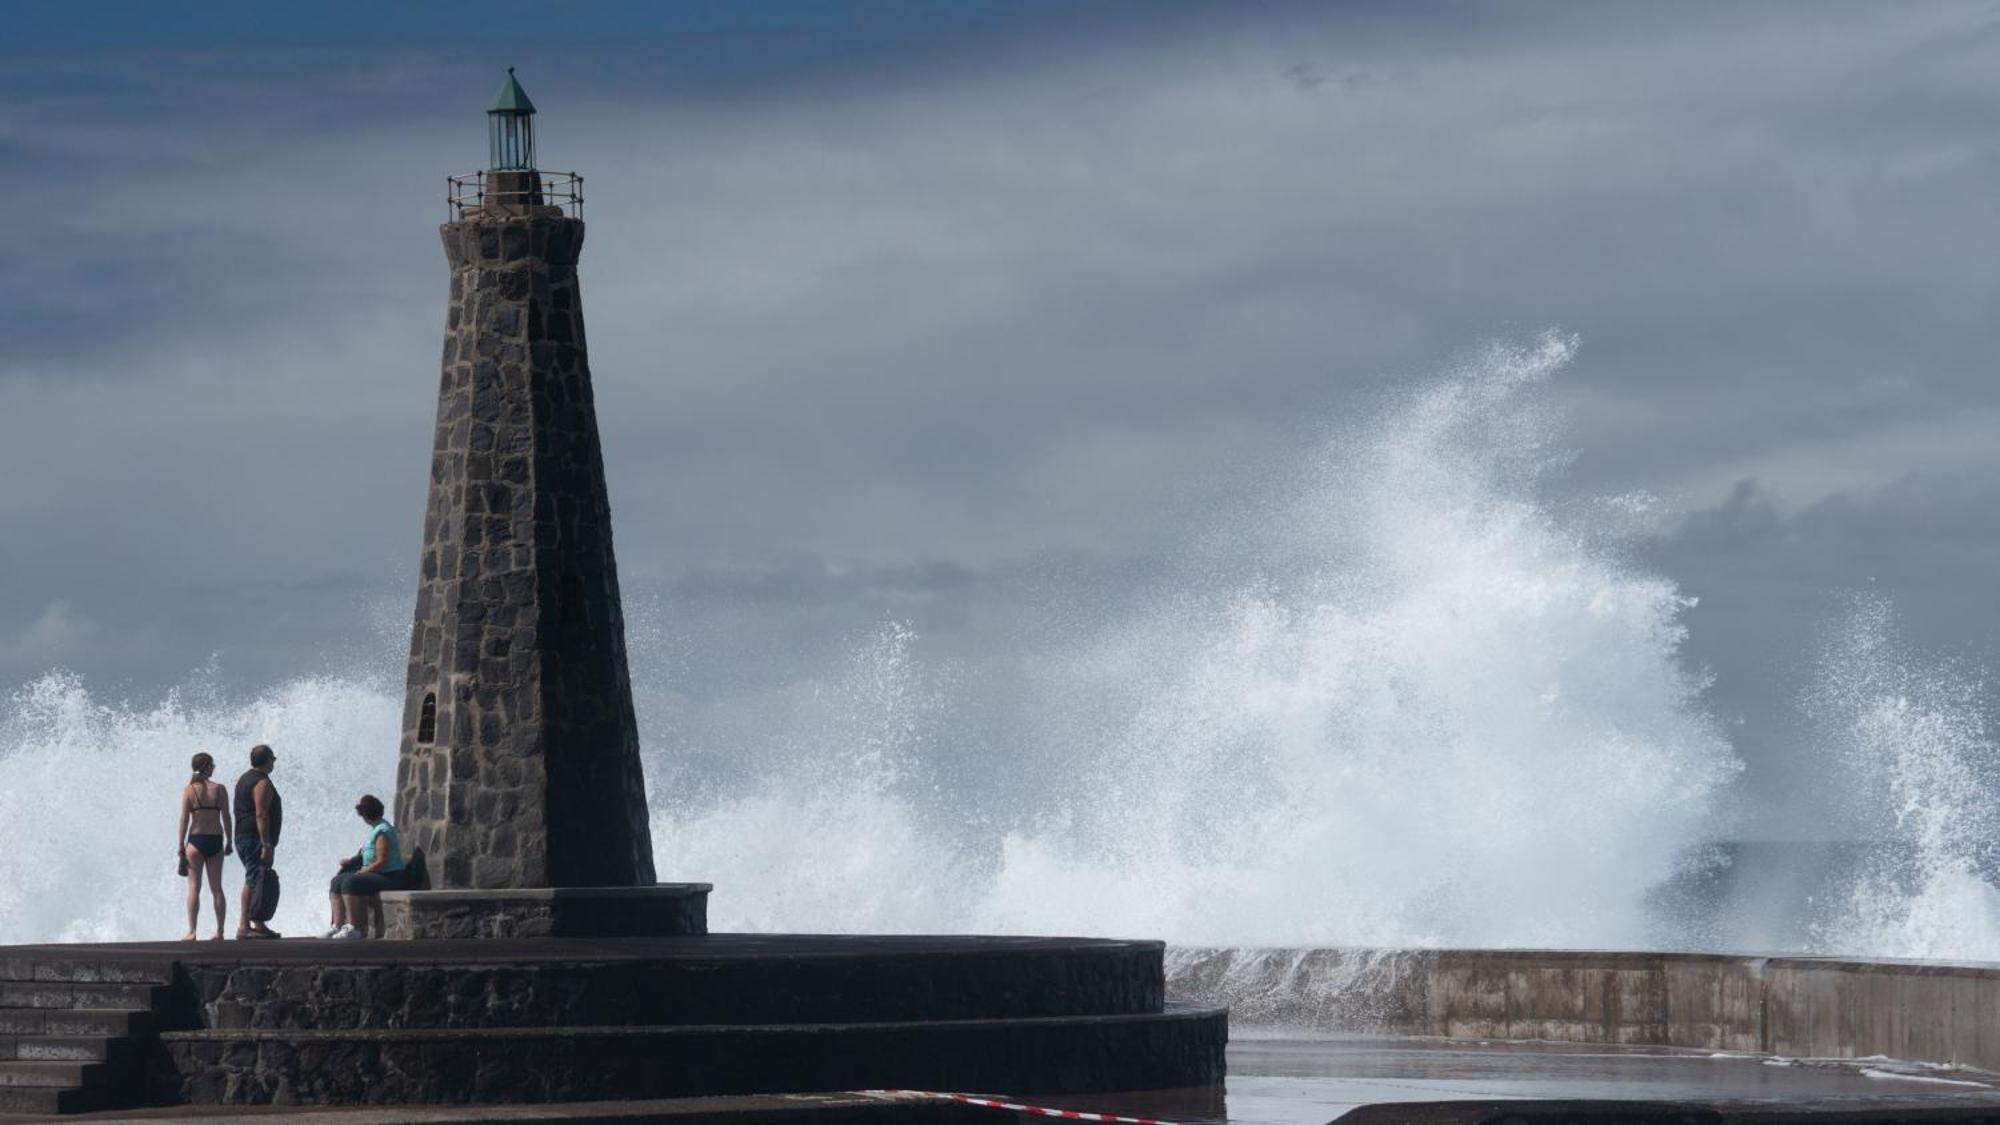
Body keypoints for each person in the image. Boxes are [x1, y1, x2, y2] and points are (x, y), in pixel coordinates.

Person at [322, 794, 410, 940]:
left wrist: (364, 871)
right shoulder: (375, 828)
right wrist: (350, 862)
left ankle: (355, 928)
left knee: (351, 882)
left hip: (390, 876)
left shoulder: (382, 831)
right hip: (378, 873)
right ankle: (337, 926)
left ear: (366, 814)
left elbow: (381, 861)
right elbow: (366, 854)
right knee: (336, 881)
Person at [175, 752, 233, 941]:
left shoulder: (190, 790)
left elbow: (184, 819)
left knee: (193, 888)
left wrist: (180, 845)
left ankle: (192, 931)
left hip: (196, 841)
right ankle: (221, 931)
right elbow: (226, 817)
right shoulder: (220, 789)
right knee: (217, 888)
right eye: (212, 765)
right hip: (215, 840)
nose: (214, 767)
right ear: (207, 767)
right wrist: (229, 841)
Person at [233, 744, 283, 940]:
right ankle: (247, 926)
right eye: (273, 759)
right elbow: (261, 813)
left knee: (253, 878)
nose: (274, 763)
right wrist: (266, 844)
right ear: (268, 760)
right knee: (254, 879)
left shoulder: (244, 779)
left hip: (244, 836)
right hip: (254, 838)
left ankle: (254, 924)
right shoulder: (261, 782)